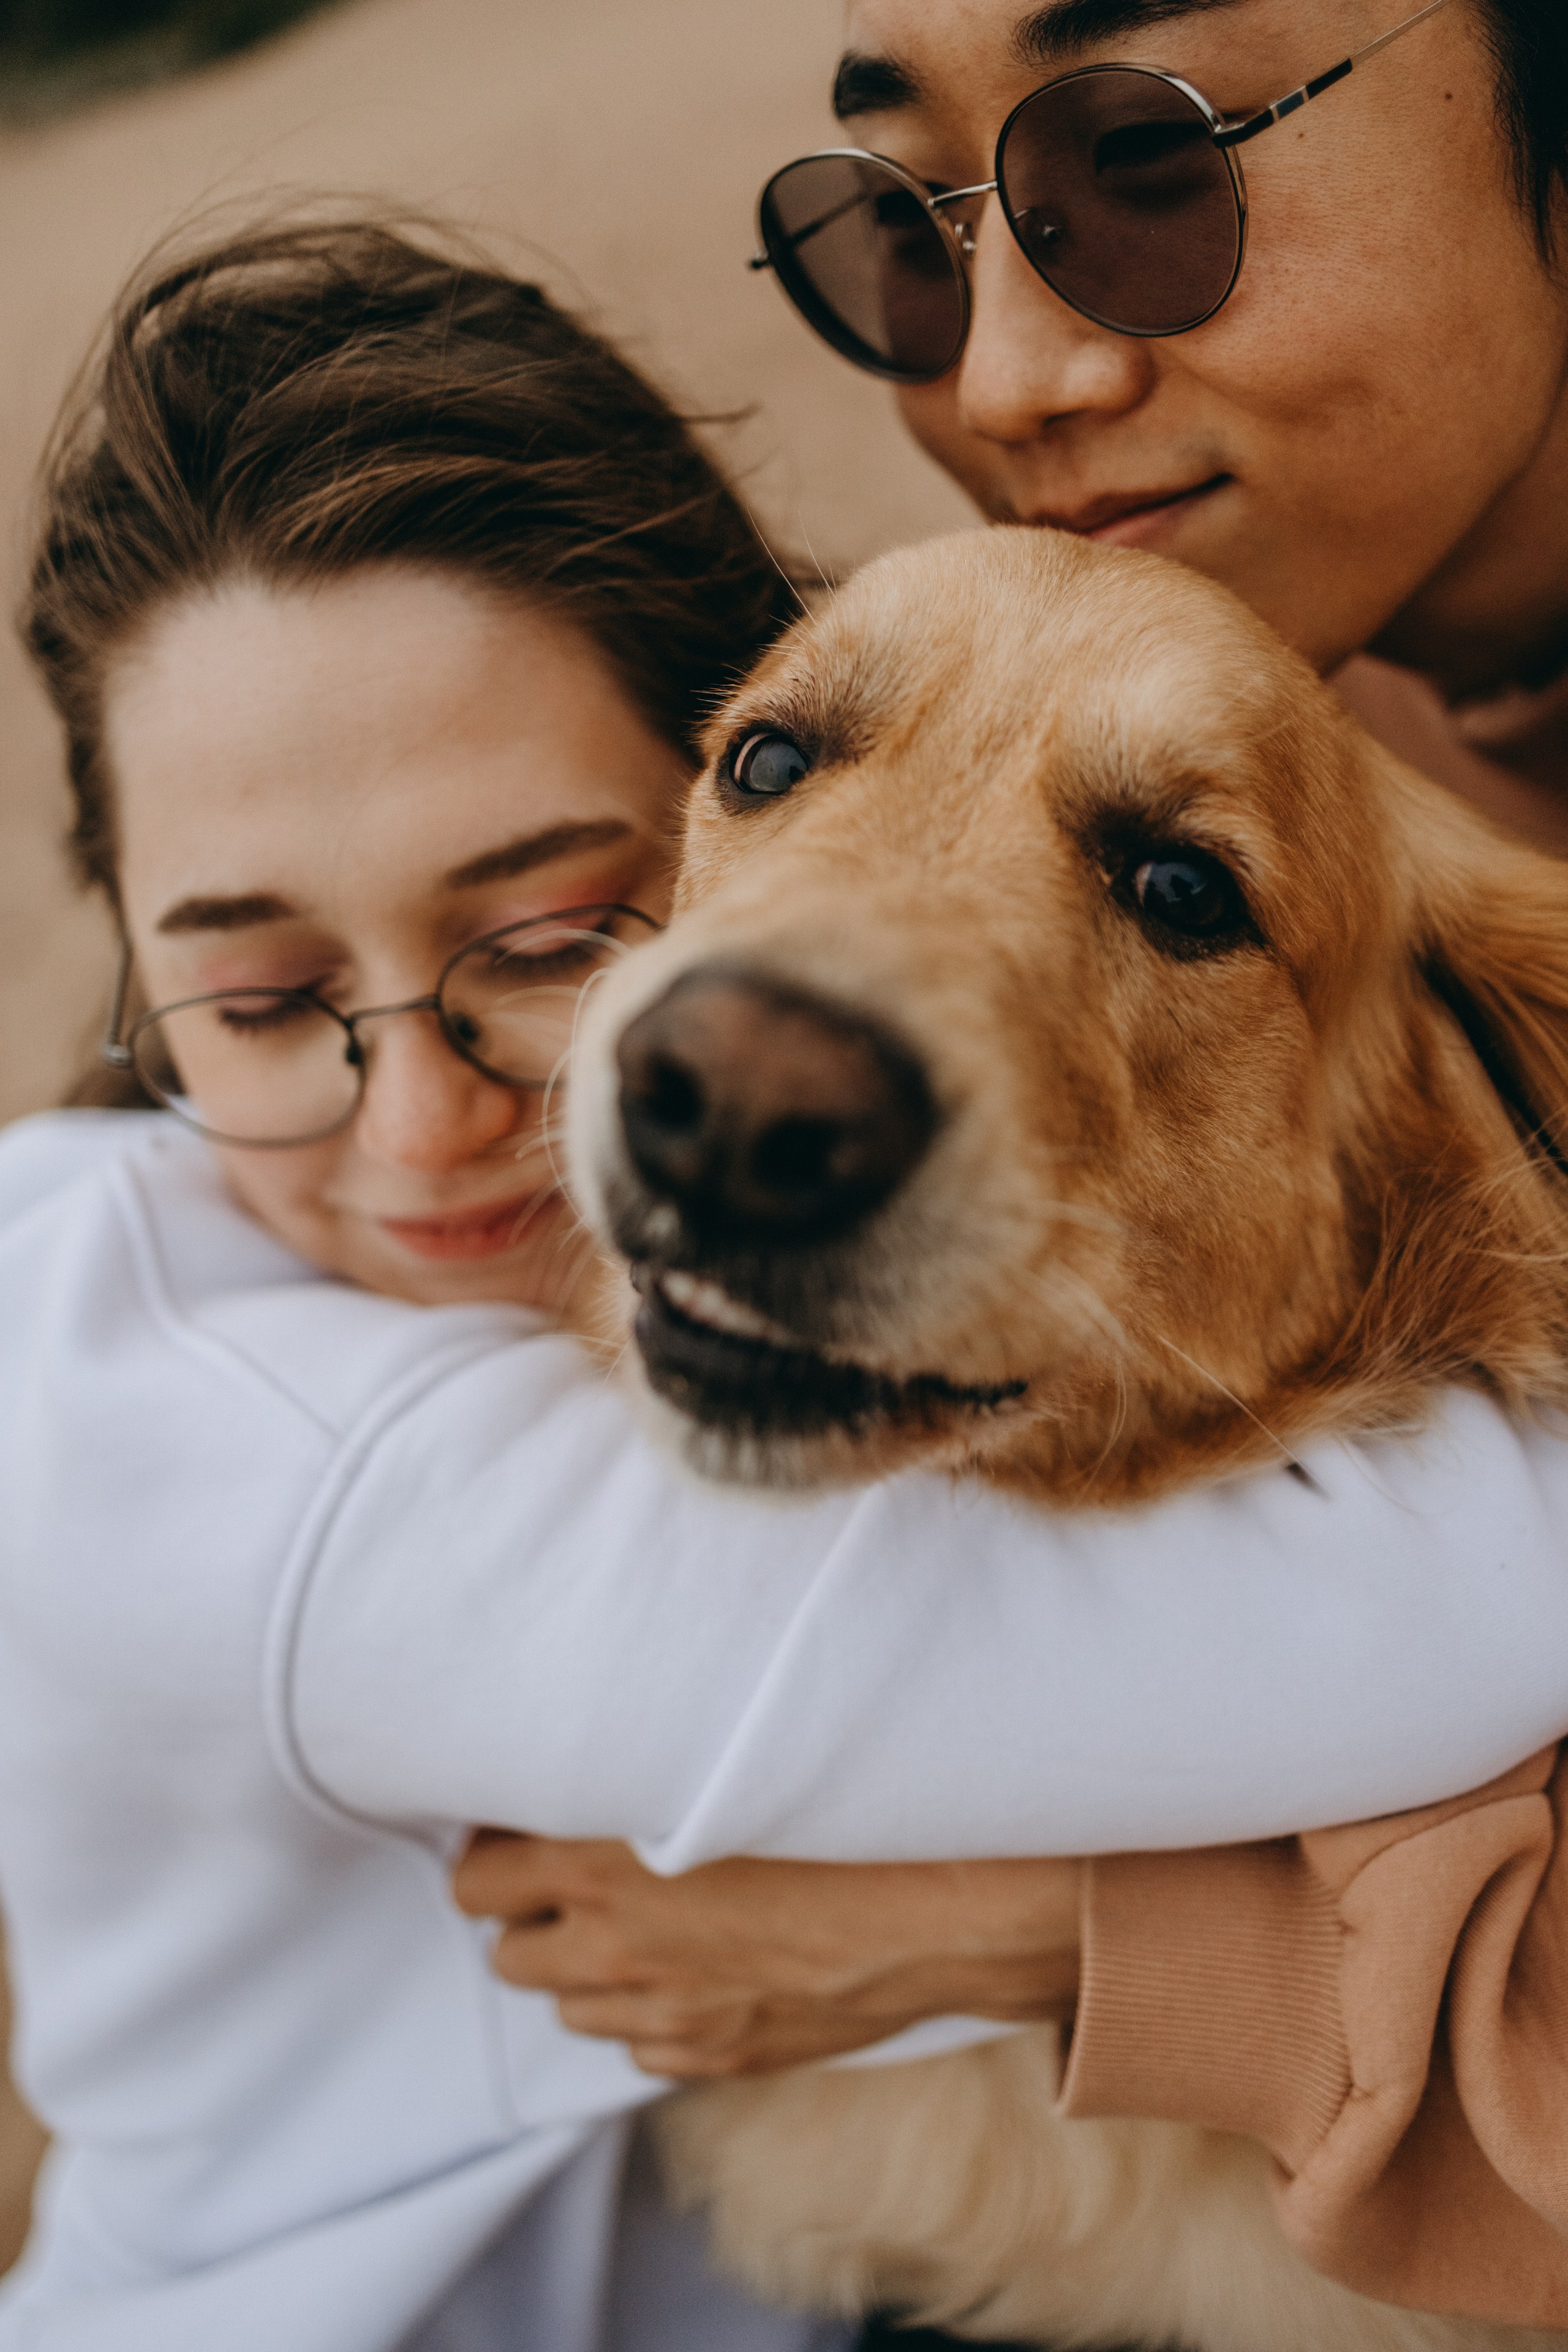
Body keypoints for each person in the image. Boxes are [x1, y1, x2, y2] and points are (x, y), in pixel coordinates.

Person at [5, 209, 1568, 2352]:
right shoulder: (210, 1434)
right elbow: (1364, 1624)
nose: (423, 1126)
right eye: (267, 991)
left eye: (547, 935)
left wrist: (1046, 1931)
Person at [458, 0, 1568, 2331]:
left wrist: (1033, 1934)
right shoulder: (1285, 647)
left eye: (1156, 163)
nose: (1006, 386)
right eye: (911, 231)